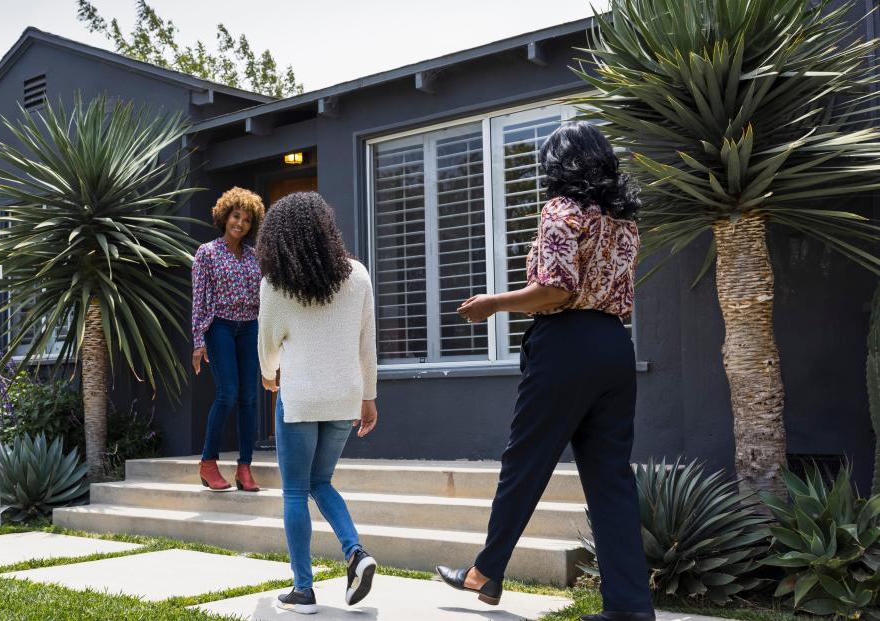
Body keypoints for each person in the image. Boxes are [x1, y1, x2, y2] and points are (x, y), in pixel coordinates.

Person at [433, 121, 654, 621]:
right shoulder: (623, 220)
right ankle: (630, 610)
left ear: (559, 164)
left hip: (567, 346)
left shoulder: (561, 210)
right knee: (611, 480)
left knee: (525, 463)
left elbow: (555, 290)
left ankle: (486, 572)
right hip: (615, 346)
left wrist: (492, 304)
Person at [256, 191, 379, 614]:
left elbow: (267, 348)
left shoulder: (275, 285)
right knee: (320, 482)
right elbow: (367, 346)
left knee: (294, 491)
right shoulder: (359, 275)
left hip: (300, 399)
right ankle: (356, 552)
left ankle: (303, 590)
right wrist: (369, 397)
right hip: (345, 397)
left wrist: (270, 378)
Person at [191, 187, 266, 492]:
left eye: (247, 220)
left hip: (249, 327)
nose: (241, 223)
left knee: (249, 397)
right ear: (225, 216)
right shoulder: (207, 252)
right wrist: (199, 340)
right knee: (228, 393)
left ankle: (244, 468)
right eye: (236, 216)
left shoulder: (254, 256)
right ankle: (208, 463)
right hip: (219, 326)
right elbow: (199, 298)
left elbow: (263, 296)